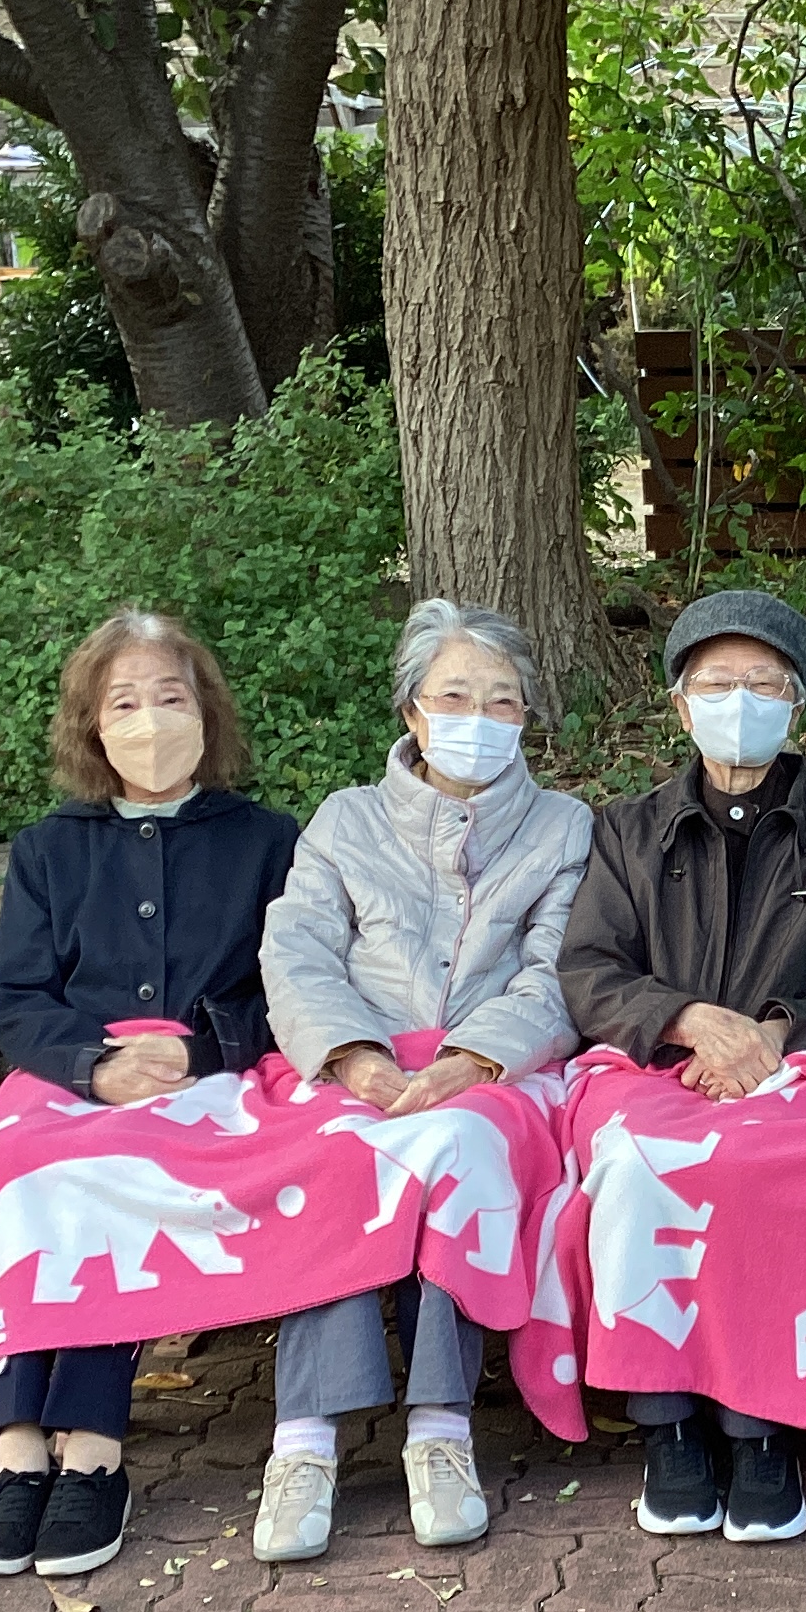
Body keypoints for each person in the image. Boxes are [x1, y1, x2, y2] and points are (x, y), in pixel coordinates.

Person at [0, 609, 299, 1580]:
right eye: (125, 701)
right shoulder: (48, 850)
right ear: (91, 725)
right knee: (21, 1165)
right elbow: (15, 998)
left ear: (206, 711)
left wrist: (203, 1052)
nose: (150, 719)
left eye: (170, 696)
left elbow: (290, 986)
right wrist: (92, 1069)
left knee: (107, 1174)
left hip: (212, 1080)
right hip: (73, 1075)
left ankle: (94, 1451)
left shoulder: (267, 839)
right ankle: (21, 1449)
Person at [253, 600, 592, 1562]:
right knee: (340, 1155)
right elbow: (299, 952)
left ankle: (441, 1428)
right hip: (354, 1061)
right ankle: (304, 1441)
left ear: (526, 718)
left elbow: (555, 969)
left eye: (502, 701)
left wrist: (473, 1059)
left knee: (453, 1152)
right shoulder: (345, 819)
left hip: (496, 1070)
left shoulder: (566, 827)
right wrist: (353, 1056)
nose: (477, 717)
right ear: (412, 710)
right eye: (454, 695)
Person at [558, 589, 806, 1545]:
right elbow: (588, 969)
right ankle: (668, 1422)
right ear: (680, 705)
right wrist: (688, 1020)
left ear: (799, 702)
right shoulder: (625, 830)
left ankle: (759, 1421)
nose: (742, 702)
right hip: (654, 1067)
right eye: (717, 684)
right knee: (636, 1166)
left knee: (765, 1167)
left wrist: (777, 1032)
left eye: (764, 684)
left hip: (791, 1069)